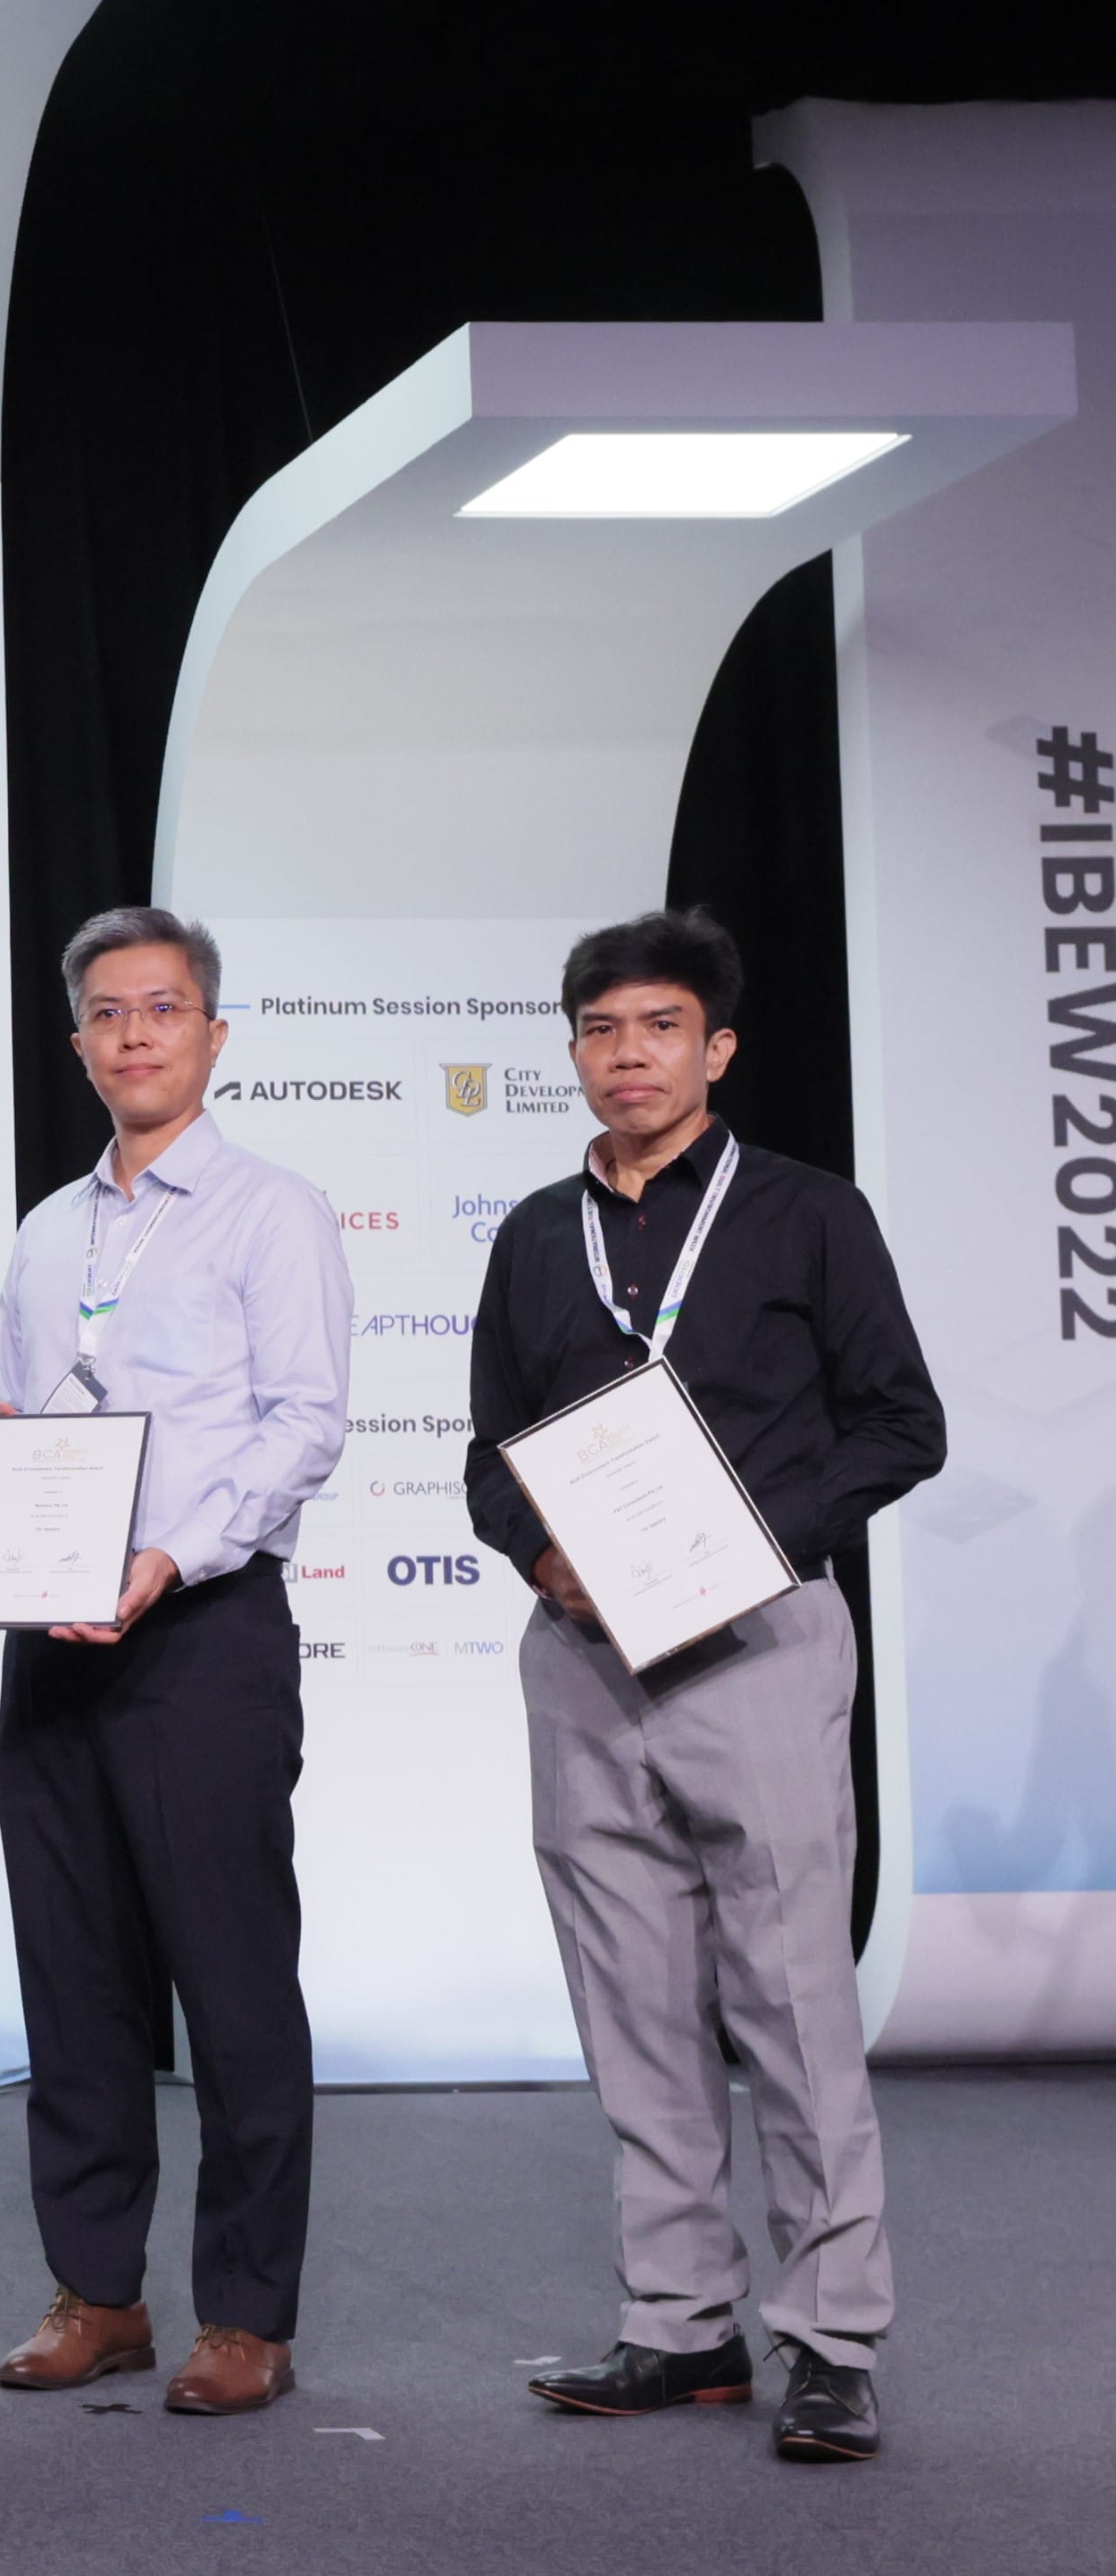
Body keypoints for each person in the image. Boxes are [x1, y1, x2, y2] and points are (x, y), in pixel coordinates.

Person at [467, 909, 942, 2465]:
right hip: (584, 1659)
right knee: (633, 2001)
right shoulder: (537, 1233)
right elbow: (489, 1454)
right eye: (602, 1030)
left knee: (793, 1996)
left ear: (716, 1048)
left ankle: (832, 2338)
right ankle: (681, 2323)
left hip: (757, 1642)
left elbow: (903, 1423)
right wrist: (542, 1554)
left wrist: (745, 1545)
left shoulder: (808, 1212)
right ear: (575, 1053)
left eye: (661, 1026)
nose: (630, 1055)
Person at [0, 905, 350, 2416]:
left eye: (164, 1008)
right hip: (52, 1640)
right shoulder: (45, 1232)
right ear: (78, 1044)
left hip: (199, 1633)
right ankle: (101, 2293)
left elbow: (305, 1423)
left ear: (214, 1033)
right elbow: (16, 1403)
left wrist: (168, 1555)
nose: (136, 1034)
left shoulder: (273, 1211)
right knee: (73, 1985)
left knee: (235, 1985)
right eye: (110, 1013)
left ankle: (245, 2313)